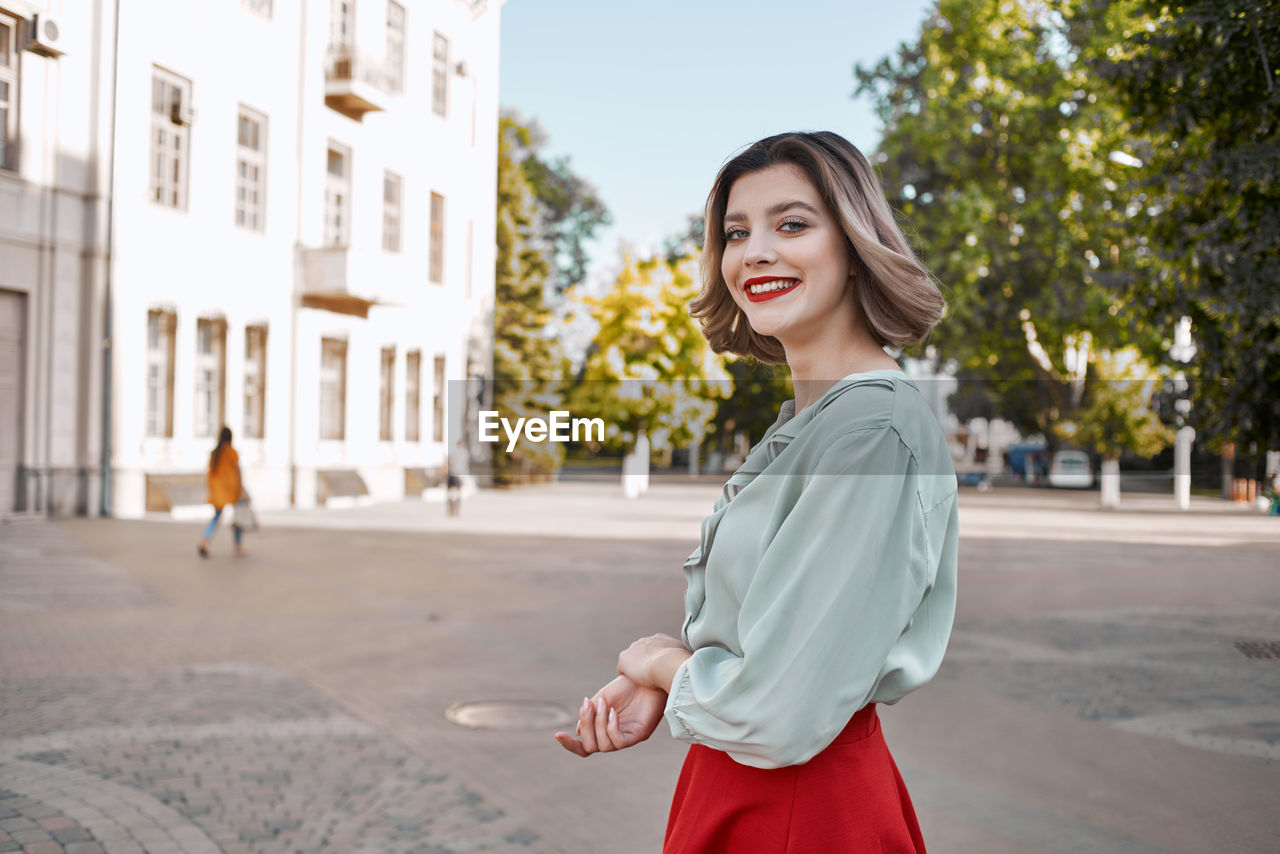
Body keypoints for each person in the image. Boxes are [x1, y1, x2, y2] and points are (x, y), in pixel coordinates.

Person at [554, 131, 959, 853]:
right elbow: (773, 653)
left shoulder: (872, 432)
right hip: (739, 785)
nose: (755, 252)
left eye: (792, 224)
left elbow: (780, 713)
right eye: (736, 233)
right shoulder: (810, 424)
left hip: (800, 808)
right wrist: (678, 689)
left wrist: (659, 661)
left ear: (856, 247)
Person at [197, 426, 247, 558]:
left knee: (216, 518)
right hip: (232, 489)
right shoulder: (231, 452)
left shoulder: (214, 453)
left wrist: (211, 490)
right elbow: (237, 472)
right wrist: (241, 489)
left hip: (218, 491)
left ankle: (205, 542)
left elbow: (210, 474)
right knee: (238, 518)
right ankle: (238, 546)